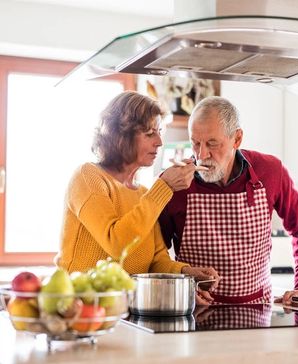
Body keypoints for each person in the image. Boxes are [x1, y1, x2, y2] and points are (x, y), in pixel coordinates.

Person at [56, 91, 219, 304]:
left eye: (159, 131)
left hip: (127, 311)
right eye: (150, 133)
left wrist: (188, 274)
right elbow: (117, 243)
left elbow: (157, 261)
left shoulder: (143, 193)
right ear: (120, 135)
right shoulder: (88, 177)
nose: (159, 142)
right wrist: (165, 187)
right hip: (80, 310)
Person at [159, 96, 298, 306]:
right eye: (195, 143)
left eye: (212, 143)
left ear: (237, 139)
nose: (201, 154)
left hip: (257, 311)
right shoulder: (175, 184)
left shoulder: (270, 171)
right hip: (194, 313)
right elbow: (156, 254)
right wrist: (180, 286)